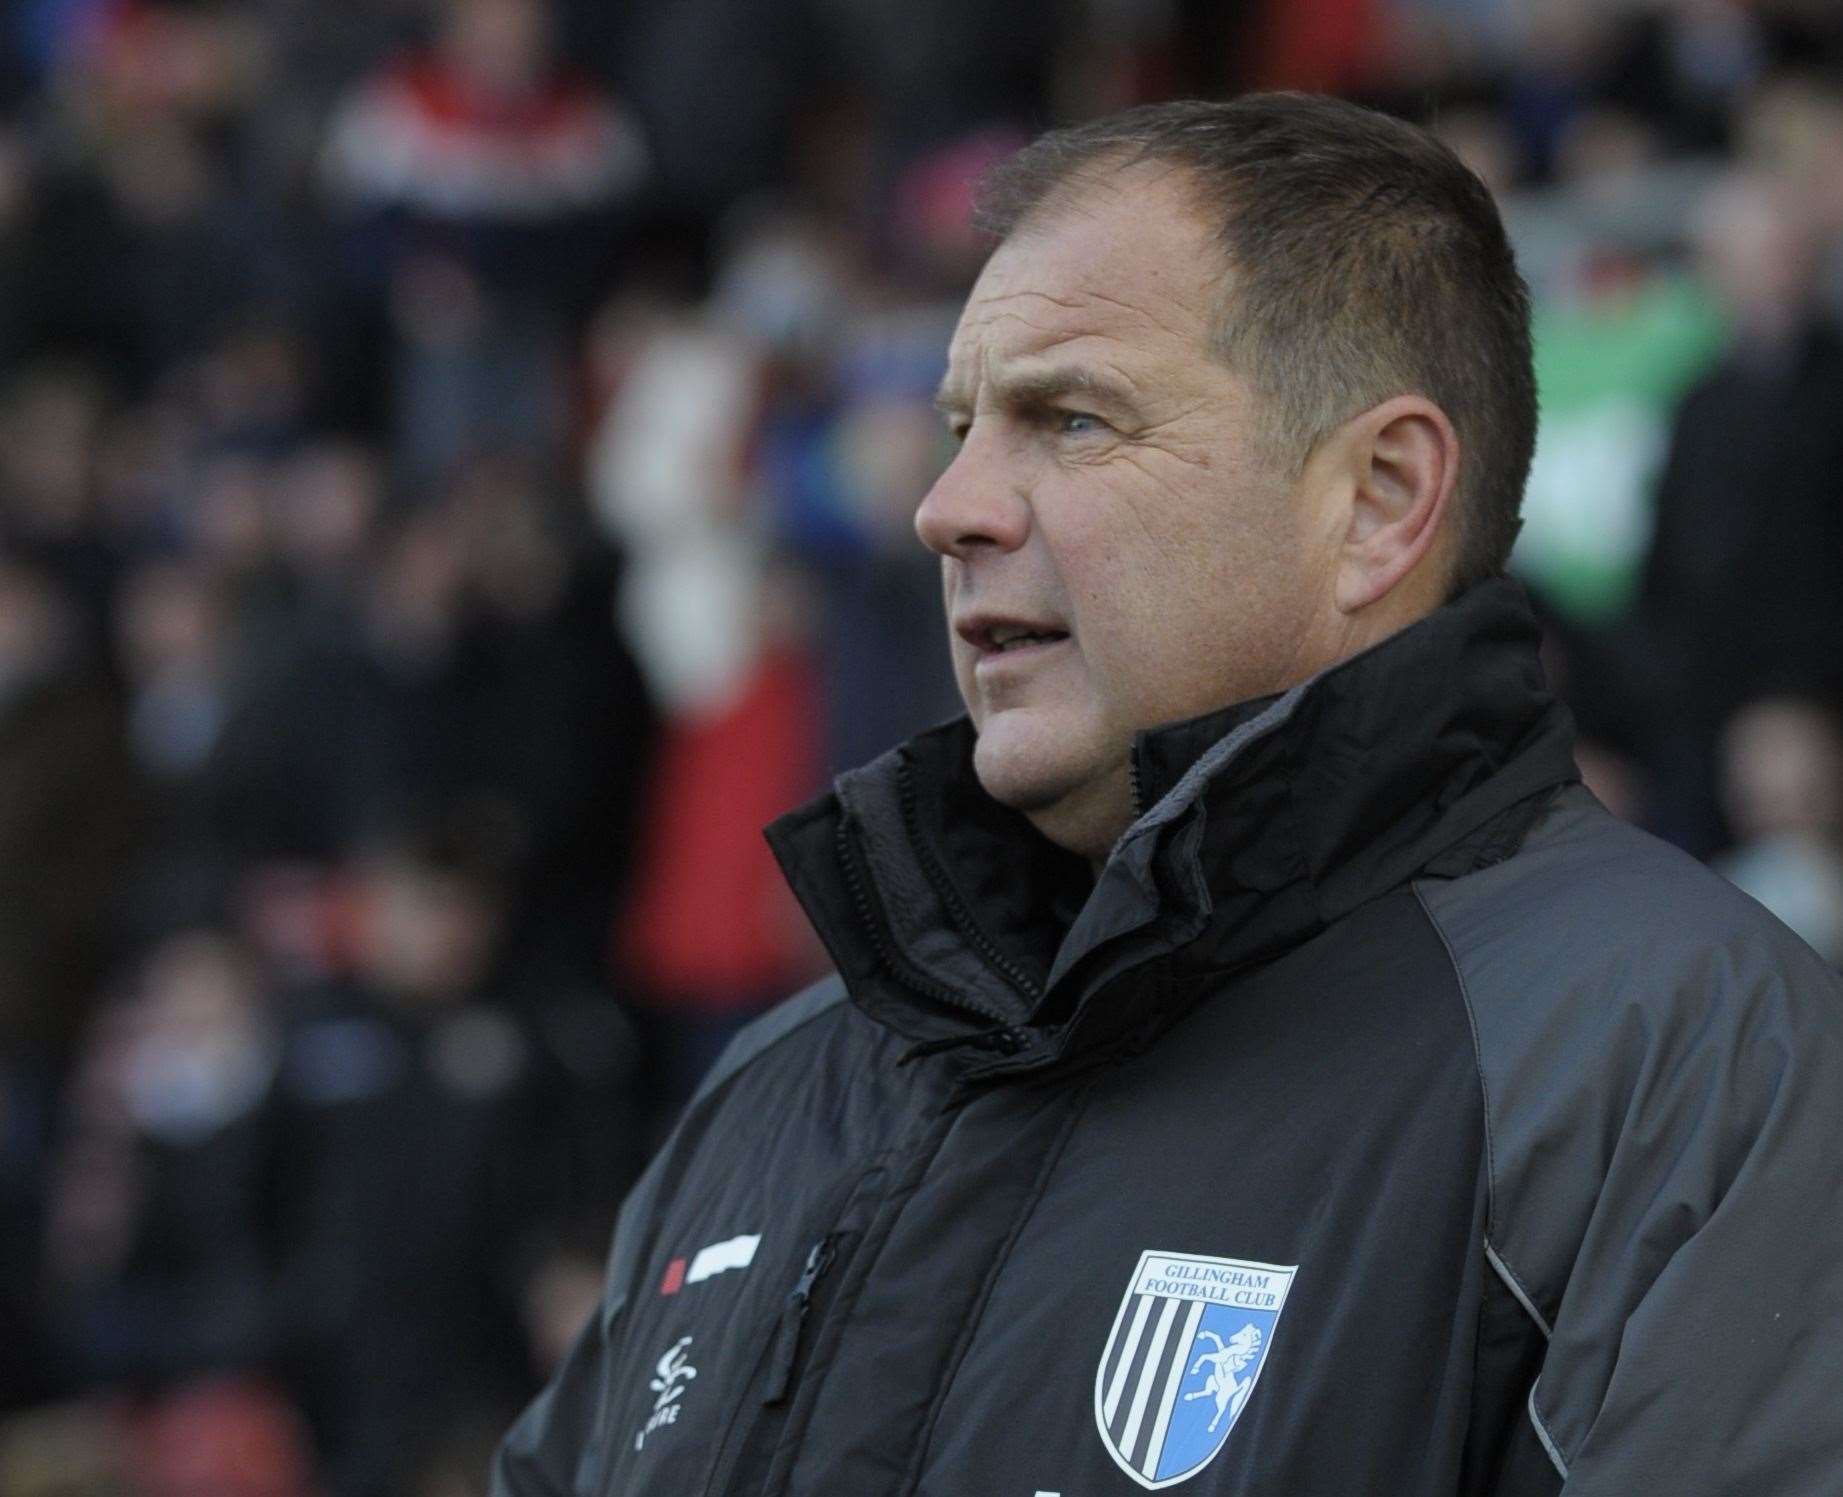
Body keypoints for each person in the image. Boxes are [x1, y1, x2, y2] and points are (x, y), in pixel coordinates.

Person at [494, 94, 1843, 1496]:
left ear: (1380, 498)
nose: (947, 506)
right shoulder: (773, 1090)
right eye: (959, 426)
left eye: (1070, 419)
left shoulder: (1677, 1064)